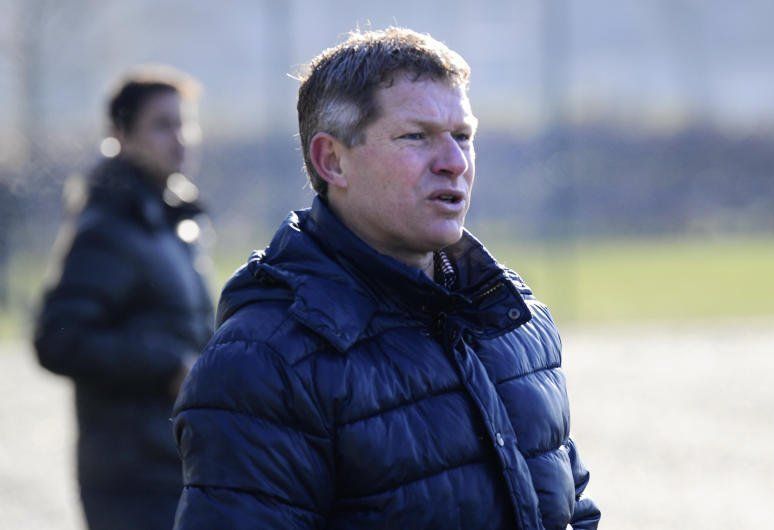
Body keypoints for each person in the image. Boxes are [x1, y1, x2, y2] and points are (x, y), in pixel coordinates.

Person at [173, 28, 600, 530]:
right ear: (332, 160)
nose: (454, 163)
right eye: (416, 137)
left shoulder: (513, 322)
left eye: (463, 137)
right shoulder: (263, 365)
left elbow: (571, 511)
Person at [34, 66, 214, 530]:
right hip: (132, 480)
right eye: (162, 125)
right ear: (120, 135)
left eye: (185, 123)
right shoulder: (107, 229)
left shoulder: (173, 222)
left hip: (179, 463)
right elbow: (58, 340)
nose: (180, 138)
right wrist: (168, 364)